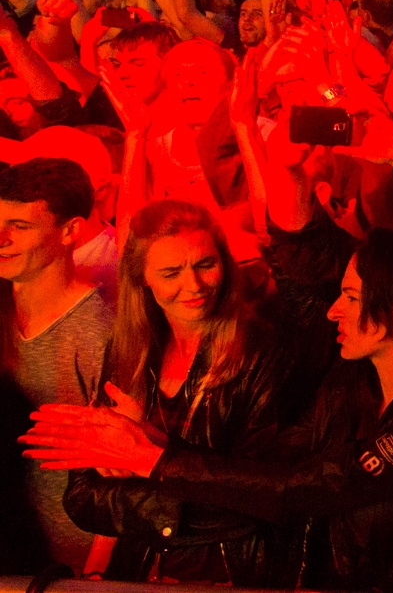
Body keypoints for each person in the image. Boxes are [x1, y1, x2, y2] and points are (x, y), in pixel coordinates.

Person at [27, 226, 393, 593]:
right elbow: (266, 470)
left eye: (349, 297)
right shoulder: (350, 382)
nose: (333, 312)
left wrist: (152, 460)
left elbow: (304, 488)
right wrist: (154, 441)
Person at [61, 199, 288, 585]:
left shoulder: (262, 349)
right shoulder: (129, 350)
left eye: (205, 264)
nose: (194, 286)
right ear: (142, 279)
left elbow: (263, 495)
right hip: (139, 568)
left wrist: (149, 455)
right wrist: (97, 565)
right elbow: (83, 496)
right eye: (171, 273)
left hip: (230, 572)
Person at [0, 158, 114, 574]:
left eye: (20, 226)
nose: (1, 238)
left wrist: (97, 572)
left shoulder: (101, 331)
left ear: (70, 231)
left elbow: (120, 471)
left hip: (66, 559)